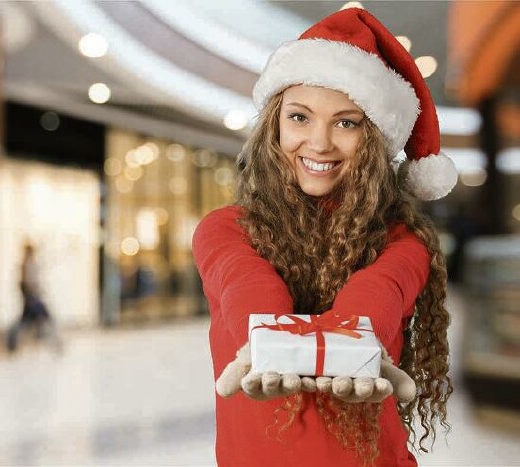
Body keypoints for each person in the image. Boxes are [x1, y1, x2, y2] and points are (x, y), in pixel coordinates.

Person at [192, 8, 457, 467]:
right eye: (300, 117)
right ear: (274, 125)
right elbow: (245, 284)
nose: (319, 143)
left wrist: (354, 343)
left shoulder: (404, 240)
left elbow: (378, 292)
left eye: (346, 123)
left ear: (374, 138)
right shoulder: (225, 228)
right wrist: (265, 342)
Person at [6, 243, 62, 353]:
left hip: (33, 298)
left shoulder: (29, 264)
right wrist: (33, 294)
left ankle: (55, 343)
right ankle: (56, 343)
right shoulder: (26, 266)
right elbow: (28, 284)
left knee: (34, 321)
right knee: (37, 321)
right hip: (32, 299)